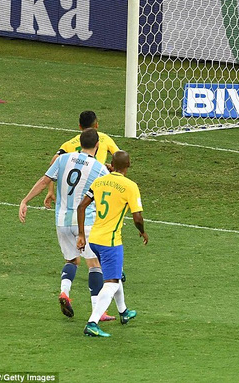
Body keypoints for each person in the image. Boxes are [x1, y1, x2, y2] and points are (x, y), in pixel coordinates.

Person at [19, 128, 114, 321]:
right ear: (97, 145)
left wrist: (25, 200)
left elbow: (45, 181)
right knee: (94, 264)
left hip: (61, 221)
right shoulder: (98, 168)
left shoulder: (62, 159)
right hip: (84, 222)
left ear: (80, 143)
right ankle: (98, 311)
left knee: (72, 261)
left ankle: (64, 292)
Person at [76, 150, 148, 338]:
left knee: (115, 272)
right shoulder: (130, 186)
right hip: (111, 241)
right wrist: (142, 231)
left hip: (95, 238)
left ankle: (123, 312)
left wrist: (82, 234)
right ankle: (92, 322)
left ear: (112, 164)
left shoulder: (99, 181)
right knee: (113, 282)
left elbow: (81, 206)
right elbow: (137, 216)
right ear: (129, 165)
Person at [44, 110, 120, 208]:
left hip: (75, 189)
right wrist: (112, 167)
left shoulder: (70, 143)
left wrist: (50, 190)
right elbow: (120, 157)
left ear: (80, 126)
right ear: (96, 125)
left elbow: (54, 161)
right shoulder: (104, 139)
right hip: (98, 187)